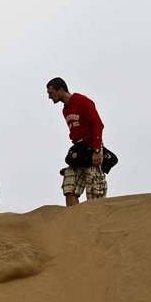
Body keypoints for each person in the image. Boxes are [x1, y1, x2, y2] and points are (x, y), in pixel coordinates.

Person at [46, 77, 107, 206]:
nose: (49, 97)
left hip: (92, 148)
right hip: (78, 151)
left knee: (95, 192)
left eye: (51, 93)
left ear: (61, 89)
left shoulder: (82, 101)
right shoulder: (65, 109)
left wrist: (96, 150)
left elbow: (97, 124)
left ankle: (96, 222)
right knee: (69, 187)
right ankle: (74, 221)